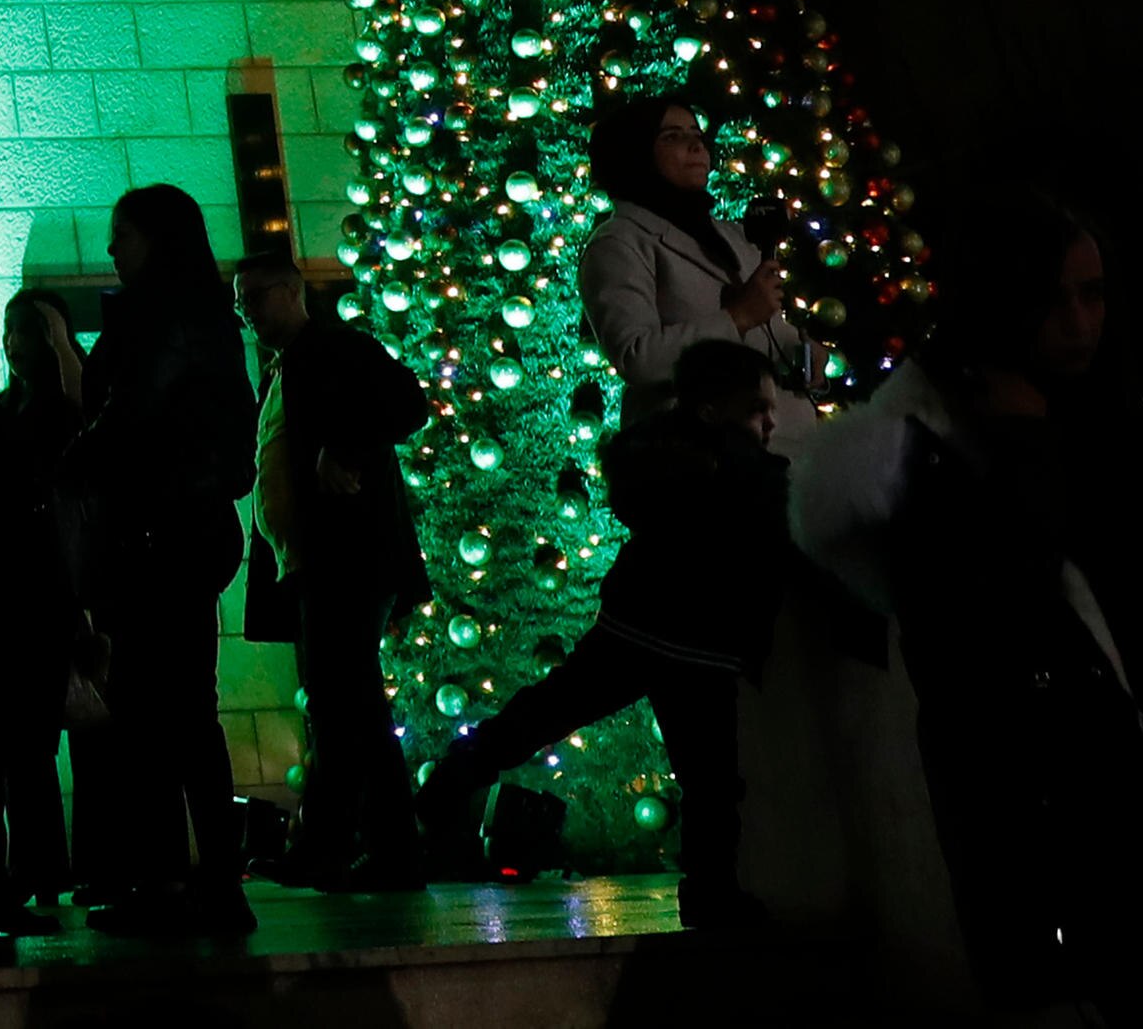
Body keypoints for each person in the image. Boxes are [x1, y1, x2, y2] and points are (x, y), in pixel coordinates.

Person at [793, 191, 1143, 1021]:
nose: (1078, 321)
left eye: (1093, 293)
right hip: (1085, 838)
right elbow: (979, 666)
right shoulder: (936, 447)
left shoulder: (1119, 420)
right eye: (1049, 297)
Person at [423, 338, 786, 914]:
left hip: (635, 628)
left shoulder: (660, 461)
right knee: (711, 778)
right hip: (699, 647)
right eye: (756, 410)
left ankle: (444, 789)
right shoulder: (745, 474)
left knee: (544, 714)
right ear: (714, 412)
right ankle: (710, 891)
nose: (769, 423)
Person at [68, 183, 257, 944]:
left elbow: (127, 421)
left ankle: (173, 877)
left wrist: (74, 464)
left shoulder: (158, 321)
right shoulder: (210, 319)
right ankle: (206, 875)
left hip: (151, 538)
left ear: (155, 238)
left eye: (123, 234)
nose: (113, 248)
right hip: (185, 536)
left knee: (153, 715)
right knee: (187, 711)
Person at [236, 256, 431, 887]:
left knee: (350, 702)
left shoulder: (336, 350)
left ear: (292, 291)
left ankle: (379, 847)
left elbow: (408, 403)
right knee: (341, 703)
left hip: (346, 558)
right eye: (241, 302)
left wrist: (342, 449)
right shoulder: (290, 365)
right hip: (318, 561)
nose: (248, 312)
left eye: (256, 297)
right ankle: (338, 843)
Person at [580, 92, 812, 426]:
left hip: (779, 445)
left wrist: (803, 352)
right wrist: (737, 317)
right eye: (673, 136)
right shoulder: (619, 242)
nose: (696, 146)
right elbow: (638, 357)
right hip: (695, 449)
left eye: (697, 135)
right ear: (636, 152)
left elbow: (766, 328)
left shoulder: (733, 235)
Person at [0, 289, 88, 930]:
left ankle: (43, 865)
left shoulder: (59, 404)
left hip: (46, 582)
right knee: (23, 739)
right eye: (11, 332)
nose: (17, 345)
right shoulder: (5, 404)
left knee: (33, 736)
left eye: (29, 333)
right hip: (13, 582)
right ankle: (40, 865)